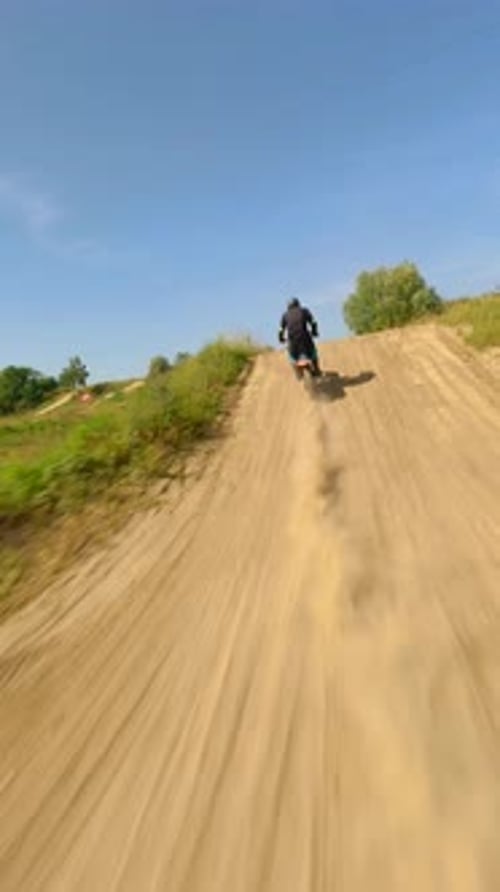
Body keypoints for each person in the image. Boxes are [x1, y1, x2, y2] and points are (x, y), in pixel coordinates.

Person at [278, 297, 321, 376]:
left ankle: (297, 370)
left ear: (288, 306)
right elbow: (313, 322)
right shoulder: (304, 311)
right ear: (298, 304)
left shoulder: (285, 315)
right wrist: (314, 332)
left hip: (292, 341)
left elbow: (281, 330)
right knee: (313, 352)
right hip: (305, 338)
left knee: (291, 356)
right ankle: (316, 368)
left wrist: (281, 339)